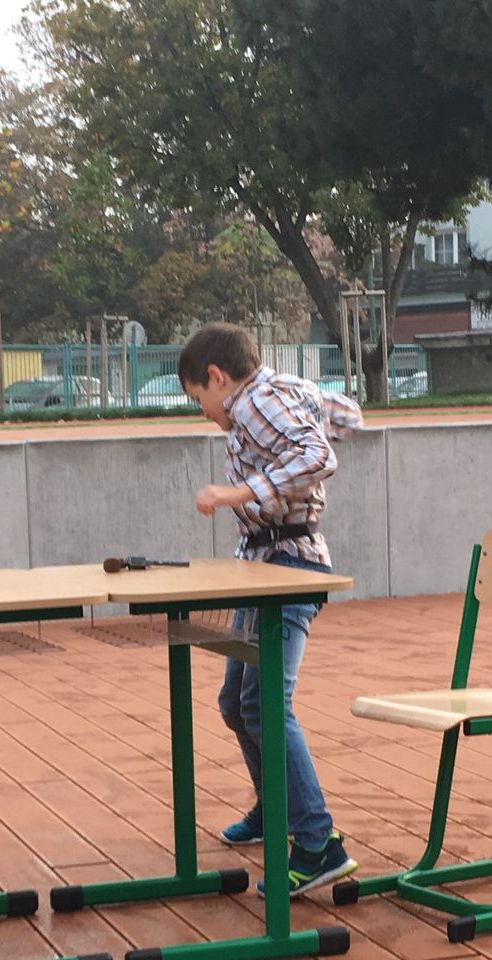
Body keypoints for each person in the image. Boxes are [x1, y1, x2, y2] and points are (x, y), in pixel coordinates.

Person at [178, 322, 363, 896]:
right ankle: (276, 807)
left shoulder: (254, 402)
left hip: (289, 566)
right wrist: (307, 401)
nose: (204, 412)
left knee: (264, 705)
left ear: (217, 377)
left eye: (198, 398)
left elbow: (318, 455)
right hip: (263, 565)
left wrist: (238, 492)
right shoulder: (278, 391)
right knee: (236, 703)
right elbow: (348, 414)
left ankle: (318, 842)